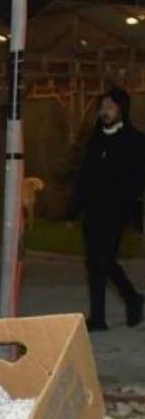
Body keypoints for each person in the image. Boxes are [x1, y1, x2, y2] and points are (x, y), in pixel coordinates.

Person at [68, 88, 145, 331]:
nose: (104, 112)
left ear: (121, 110)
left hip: (117, 211)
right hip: (93, 210)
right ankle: (99, 318)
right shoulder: (96, 139)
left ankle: (131, 297)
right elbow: (84, 176)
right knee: (94, 263)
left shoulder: (135, 141)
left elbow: (138, 179)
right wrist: (73, 209)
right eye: (102, 107)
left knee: (104, 260)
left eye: (110, 107)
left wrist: (132, 206)